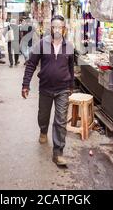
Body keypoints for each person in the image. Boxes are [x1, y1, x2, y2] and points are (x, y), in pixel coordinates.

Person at [21, 15, 74, 167]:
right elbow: (31, 64)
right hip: (45, 87)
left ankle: (58, 152)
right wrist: (26, 85)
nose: (57, 29)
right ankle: (43, 130)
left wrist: (71, 85)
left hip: (63, 89)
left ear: (64, 28)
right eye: (54, 26)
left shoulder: (69, 46)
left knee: (60, 121)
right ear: (51, 28)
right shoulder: (41, 45)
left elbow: (70, 67)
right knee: (43, 116)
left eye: (60, 27)